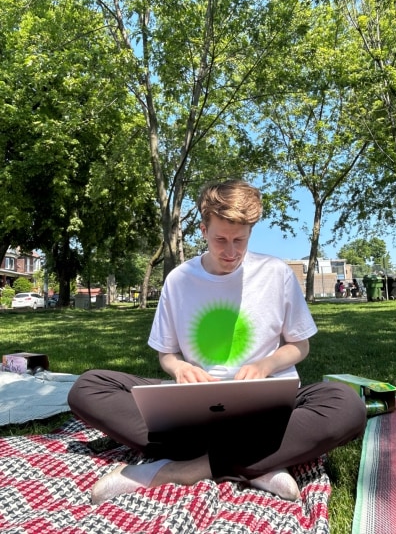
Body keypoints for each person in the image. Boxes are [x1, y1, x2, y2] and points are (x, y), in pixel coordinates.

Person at [68, 179, 367, 505]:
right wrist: (180, 367)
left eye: (240, 240)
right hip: (196, 411)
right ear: (203, 229)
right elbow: (166, 353)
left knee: (346, 403)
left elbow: (300, 345)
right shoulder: (179, 280)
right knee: (88, 387)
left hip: (265, 413)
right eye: (220, 239)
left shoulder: (276, 273)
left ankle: (182, 470)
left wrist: (266, 364)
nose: (231, 251)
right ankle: (256, 464)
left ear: (251, 232)